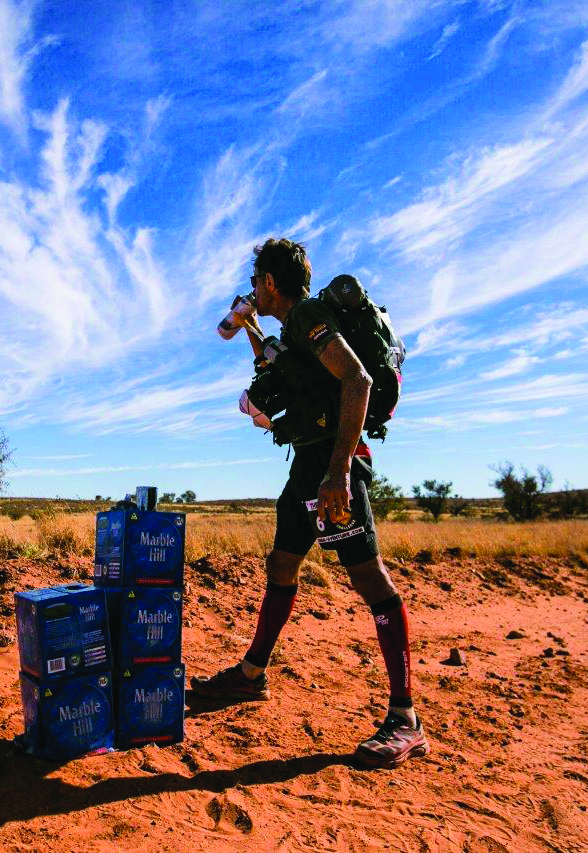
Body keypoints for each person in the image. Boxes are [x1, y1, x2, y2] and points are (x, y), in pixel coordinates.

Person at [190, 237, 427, 768]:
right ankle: (250, 676)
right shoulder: (292, 331)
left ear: (270, 283)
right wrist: (251, 335)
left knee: (369, 579)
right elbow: (288, 378)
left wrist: (339, 471)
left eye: (255, 283)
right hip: (307, 466)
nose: (252, 291)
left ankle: (405, 718)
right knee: (282, 563)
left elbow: (358, 379)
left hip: (331, 468)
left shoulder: (309, 317)